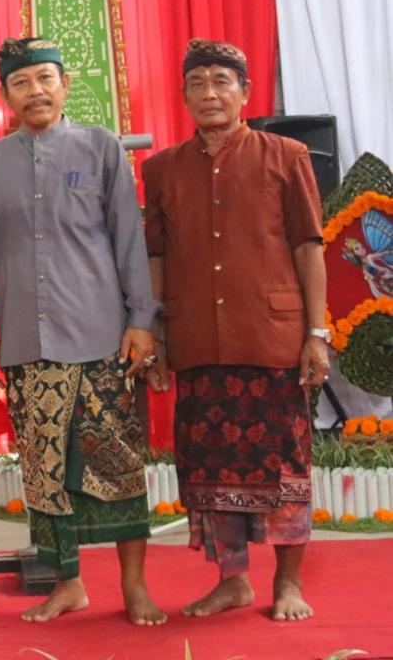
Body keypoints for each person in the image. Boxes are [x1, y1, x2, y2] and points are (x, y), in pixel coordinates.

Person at [0, 37, 164, 627]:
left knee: (118, 463)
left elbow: (129, 239)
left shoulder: (102, 147)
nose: (35, 91)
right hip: (26, 343)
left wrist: (141, 320)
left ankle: (134, 586)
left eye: (45, 79)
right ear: (5, 95)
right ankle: (67, 585)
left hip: (100, 335)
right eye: (21, 82)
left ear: (65, 84)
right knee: (43, 470)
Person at [142, 39, 324, 622]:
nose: (210, 93)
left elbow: (308, 246)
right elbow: (157, 257)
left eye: (222, 81)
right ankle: (232, 581)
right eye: (197, 83)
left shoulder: (286, 155)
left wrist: (317, 332)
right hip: (197, 339)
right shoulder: (161, 169)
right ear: (184, 96)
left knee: (285, 466)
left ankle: (288, 583)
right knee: (209, 469)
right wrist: (157, 337)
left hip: (272, 338)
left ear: (245, 92)